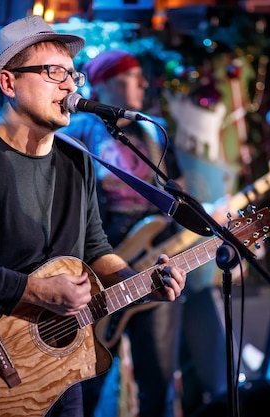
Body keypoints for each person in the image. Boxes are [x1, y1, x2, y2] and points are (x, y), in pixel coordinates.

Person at [0, 15, 186, 417]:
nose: (70, 86)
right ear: (9, 83)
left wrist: (138, 285)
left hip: (56, 367)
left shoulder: (76, 160)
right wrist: (37, 293)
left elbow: (94, 247)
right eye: (53, 72)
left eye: (73, 74)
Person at [59, 49, 188, 417]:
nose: (143, 83)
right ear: (101, 85)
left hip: (151, 267)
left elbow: (174, 191)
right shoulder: (80, 132)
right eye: (131, 76)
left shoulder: (153, 131)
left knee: (158, 381)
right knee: (88, 384)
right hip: (99, 271)